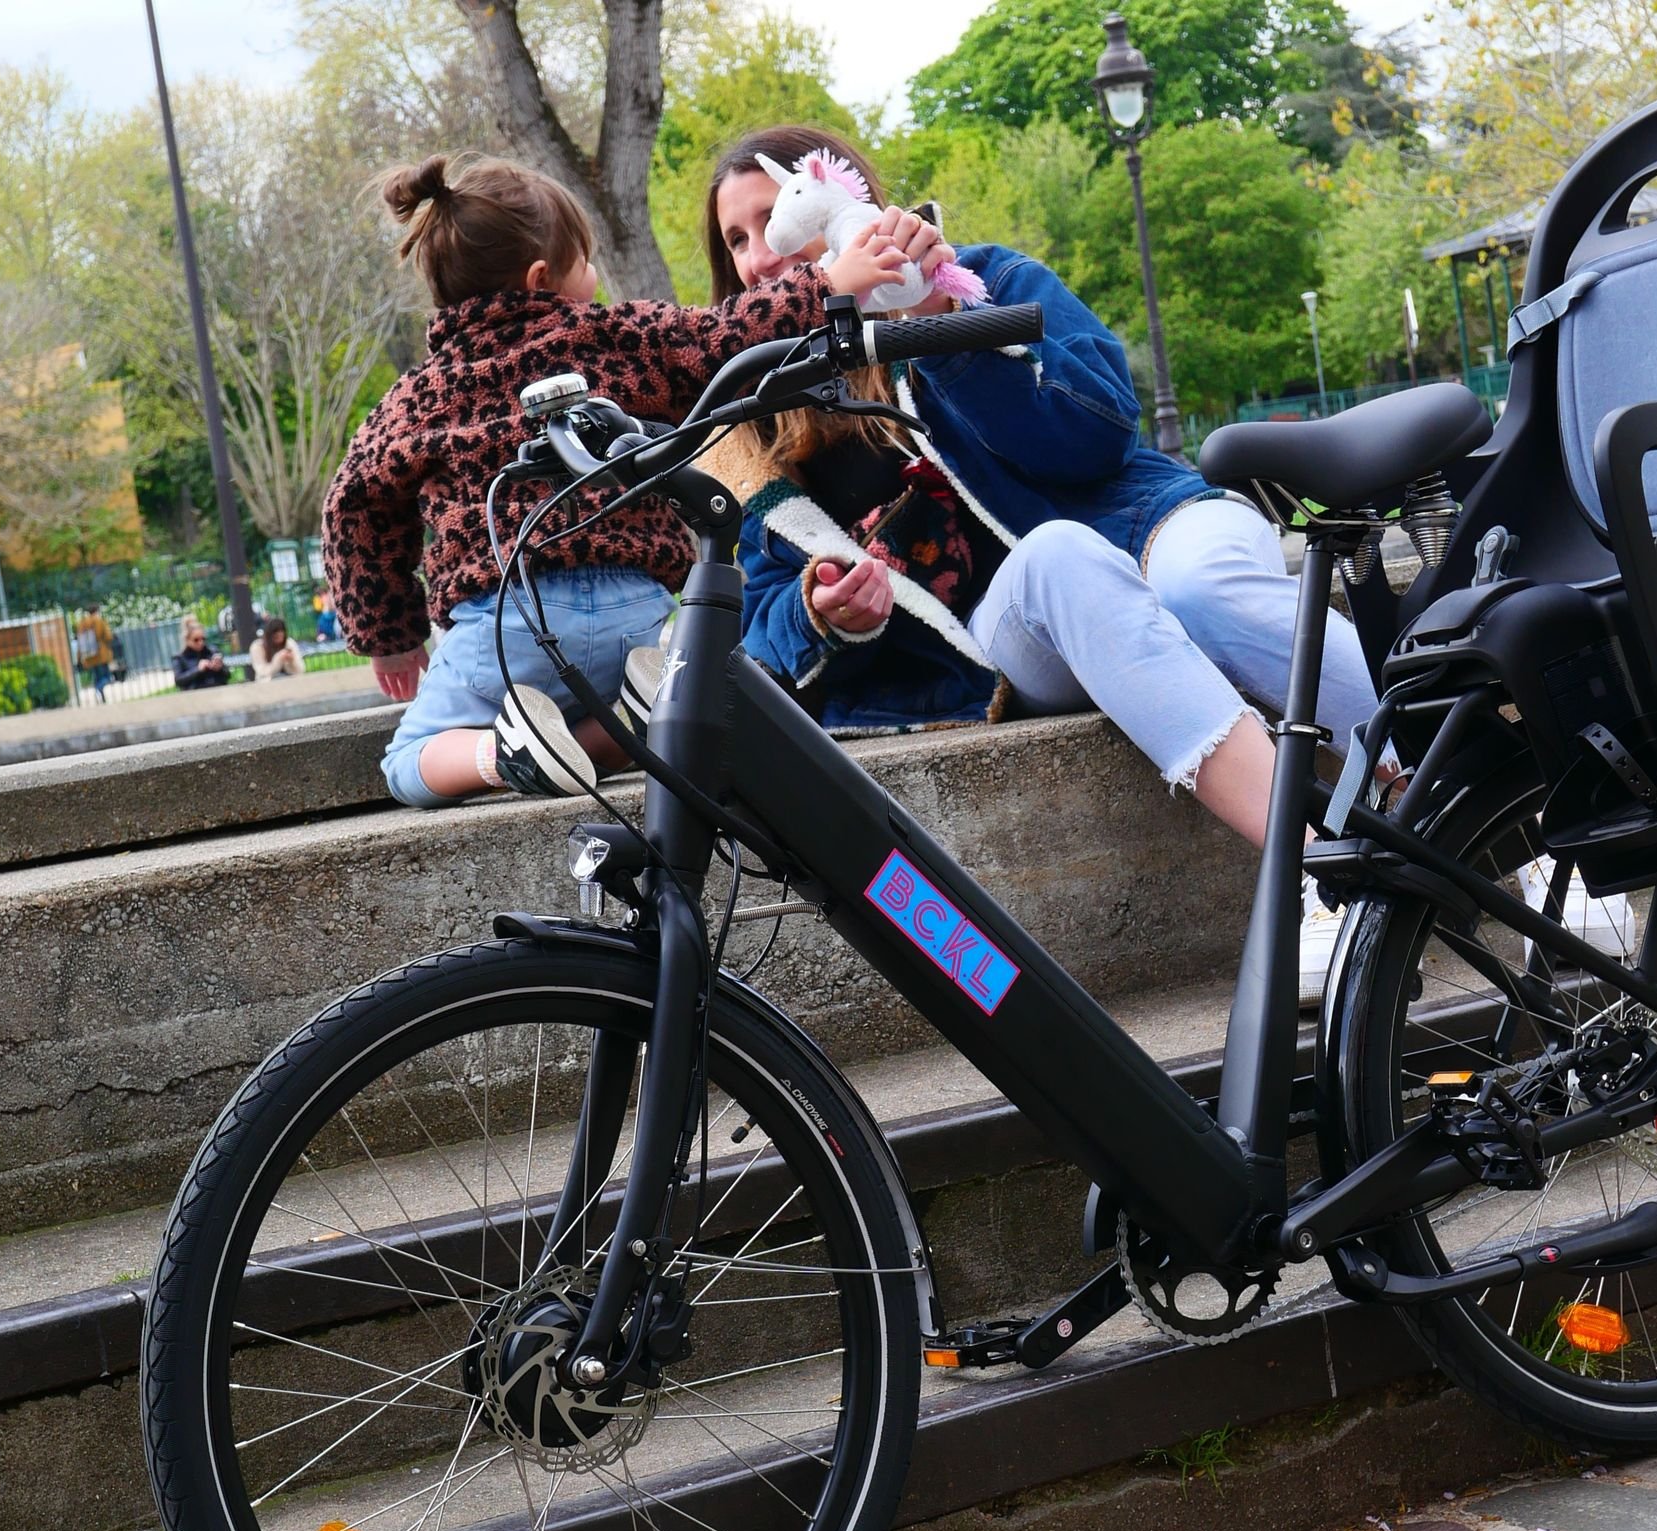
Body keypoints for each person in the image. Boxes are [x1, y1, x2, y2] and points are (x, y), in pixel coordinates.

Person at [696, 125, 1406, 998]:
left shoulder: (983, 278)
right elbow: (758, 637)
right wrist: (822, 613)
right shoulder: (751, 423)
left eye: (770, 220)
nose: (759, 257)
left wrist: (942, 324)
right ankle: (1324, 871)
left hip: (1152, 525)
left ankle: (1479, 796)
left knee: (1195, 589)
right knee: (1057, 559)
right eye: (735, 242)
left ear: (840, 202)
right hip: (1015, 643)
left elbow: (1102, 430)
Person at [323, 151, 949, 809]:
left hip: (509, 619)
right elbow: (728, 335)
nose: (595, 277)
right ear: (542, 279)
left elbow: (353, 507)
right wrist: (829, 283)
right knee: (659, 720)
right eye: (585, 262)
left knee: (407, 763)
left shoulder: (419, 397)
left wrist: (389, 639)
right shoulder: (621, 337)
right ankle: (619, 720)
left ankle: (502, 752)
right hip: (640, 617)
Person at [173, 615, 232, 691]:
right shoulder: (180, 658)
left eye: (203, 639)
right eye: (196, 640)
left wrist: (219, 668)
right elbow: (179, 681)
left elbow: (228, 675)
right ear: (187, 640)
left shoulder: (212, 652)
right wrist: (198, 669)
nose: (201, 643)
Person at [73, 604, 118, 701]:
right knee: (107, 677)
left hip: (89, 655)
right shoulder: (99, 621)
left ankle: (101, 696)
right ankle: (99, 688)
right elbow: (108, 636)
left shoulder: (82, 623)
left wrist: (79, 657)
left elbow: (80, 641)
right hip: (101, 654)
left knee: (97, 676)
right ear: (97, 610)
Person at [250, 616, 304, 680]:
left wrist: (292, 661)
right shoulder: (257, 647)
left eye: (282, 633)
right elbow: (262, 672)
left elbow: (300, 670)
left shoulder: (289, 643)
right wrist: (278, 659)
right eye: (276, 636)